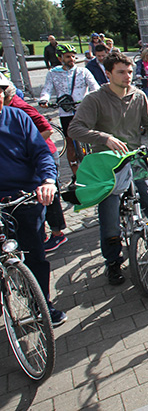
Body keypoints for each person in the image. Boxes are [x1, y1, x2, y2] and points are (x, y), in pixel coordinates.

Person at [68, 52, 148, 286]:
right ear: (108, 74)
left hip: (134, 158)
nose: (127, 76)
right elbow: (75, 129)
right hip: (107, 164)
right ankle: (113, 262)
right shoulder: (95, 99)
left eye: (129, 72)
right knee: (109, 215)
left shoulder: (138, 96)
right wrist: (104, 138)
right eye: (121, 72)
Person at [0, 73, 67, 325]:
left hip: (23, 196)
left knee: (35, 255)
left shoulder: (17, 117)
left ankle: (42, 305)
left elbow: (41, 152)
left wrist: (47, 181)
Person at [4, 83, 67, 252]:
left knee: (49, 198)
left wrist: (25, 148)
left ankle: (57, 233)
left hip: (42, 157)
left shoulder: (19, 110)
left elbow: (47, 130)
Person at [39, 44, 100, 179]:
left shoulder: (83, 72)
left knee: (91, 137)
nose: (71, 59)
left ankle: (96, 167)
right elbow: (47, 89)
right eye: (68, 57)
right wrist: (44, 100)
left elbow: (94, 87)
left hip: (83, 109)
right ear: (60, 58)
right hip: (65, 111)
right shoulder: (53, 73)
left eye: (73, 56)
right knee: (70, 141)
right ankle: (76, 175)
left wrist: (95, 98)